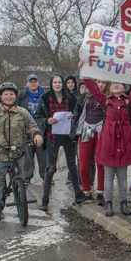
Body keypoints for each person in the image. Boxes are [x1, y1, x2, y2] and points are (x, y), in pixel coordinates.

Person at [80, 64, 131, 217]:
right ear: (109, 87)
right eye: (113, 83)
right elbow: (92, 86)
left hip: (124, 142)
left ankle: (124, 203)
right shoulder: (104, 100)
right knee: (109, 175)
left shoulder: (129, 100)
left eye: (119, 83)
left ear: (124, 87)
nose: (116, 85)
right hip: (108, 142)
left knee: (122, 177)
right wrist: (85, 69)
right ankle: (108, 203)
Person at [0, 82, 43, 221]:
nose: (9, 96)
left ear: (15, 96)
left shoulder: (22, 112)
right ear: (1, 97)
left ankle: (19, 192)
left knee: (19, 176)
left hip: (17, 153)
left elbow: (32, 126)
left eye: (11, 94)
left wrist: (36, 134)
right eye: (6, 94)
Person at [36, 75, 88, 211]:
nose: (57, 84)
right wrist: (47, 120)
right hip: (52, 136)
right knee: (50, 168)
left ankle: (78, 195)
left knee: (72, 165)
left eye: (59, 82)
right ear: (51, 84)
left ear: (63, 84)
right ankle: (45, 201)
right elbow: (39, 117)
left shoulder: (70, 98)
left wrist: (72, 116)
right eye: (55, 82)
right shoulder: (45, 98)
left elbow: (77, 113)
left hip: (67, 135)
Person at [72, 78, 107, 206]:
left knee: (100, 163)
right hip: (86, 130)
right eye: (99, 82)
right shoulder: (85, 97)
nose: (101, 84)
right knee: (83, 165)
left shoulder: (106, 98)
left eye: (103, 82)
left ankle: (100, 192)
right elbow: (77, 112)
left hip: (101, 131)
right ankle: (86, 191)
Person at [16, 73, 47, 183]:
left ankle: (45, 176)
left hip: (41, 128)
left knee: (43, 155)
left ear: (38, 83)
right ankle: (27, 177)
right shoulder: (22, 95)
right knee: (28, 154)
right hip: (27, 129)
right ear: (27, 83)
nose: (33, 83)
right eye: (31, 82)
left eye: (35, 81)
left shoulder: (44, 95)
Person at [64, 74, 80, 187]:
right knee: (70, 154)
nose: (70, 85)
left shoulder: (79, 95)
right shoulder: (63, 96)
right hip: (65, 127)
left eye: (72, 83)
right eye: (68, 83)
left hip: (76, 126)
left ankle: (76, 175)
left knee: (78, 153)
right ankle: (70, 175)